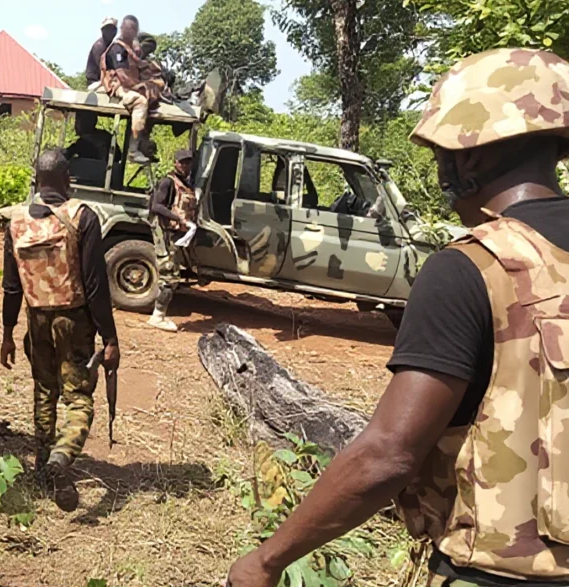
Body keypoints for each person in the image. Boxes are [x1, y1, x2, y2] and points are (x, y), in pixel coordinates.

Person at [226, 47, 569, 587]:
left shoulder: (473, 268)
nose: (441, 168)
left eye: (442, 152)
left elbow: (388, 455)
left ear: (470, 157)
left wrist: (266, 560)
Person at [0, 148, 120, 512]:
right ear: (68, 179)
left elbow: (11, 287)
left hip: (36, 319)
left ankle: (41, 465)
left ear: (36, 180)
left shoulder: (16, 222)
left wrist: (7, 333)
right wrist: (110, 338)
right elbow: (96, 285)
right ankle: (60, 458)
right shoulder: (83, 217)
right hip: (74, 320)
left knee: (44, 391)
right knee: (78, 397)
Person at [146, 149, 196, 333]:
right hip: (167, 235)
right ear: (175, 163)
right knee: (170, 277)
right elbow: (156, 206)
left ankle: (159, 315)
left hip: (177, 236)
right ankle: (157, 317)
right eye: (182, 162)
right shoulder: (168, 182)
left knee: (173, 275)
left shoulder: (185, 184)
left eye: (188, 163)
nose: (185, 166)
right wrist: (178, 218)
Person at [101, 15, 153, 164]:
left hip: (128, 84)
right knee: (140, 102)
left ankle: (144, 141)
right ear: (123, 29)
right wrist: (138, 86)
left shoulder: (130, 48)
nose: (131, 32)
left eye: (134, 30)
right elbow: (122, 75)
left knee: (152, 96)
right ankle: (133, 150)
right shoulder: (118, 48)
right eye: (129, 29)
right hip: (117, 85)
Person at [85, 18, 118, 89]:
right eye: (107, 29)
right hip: (95, 83)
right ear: (102, 30)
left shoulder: (112, 46)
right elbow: (103, 69)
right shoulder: (99, 46)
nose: (109, 31)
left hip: (106, 81)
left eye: (112, 29)